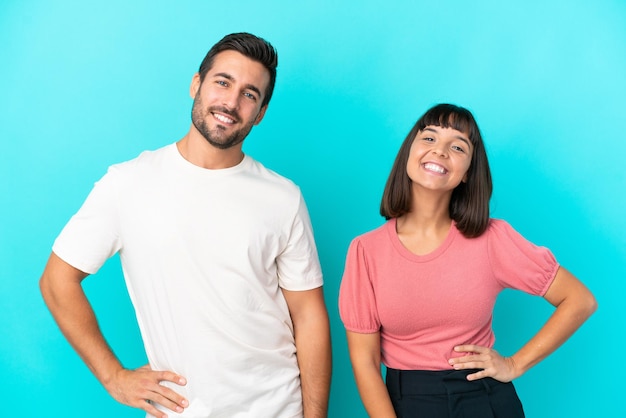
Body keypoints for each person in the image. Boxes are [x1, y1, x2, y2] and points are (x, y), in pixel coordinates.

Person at [39, 32, 331, 418]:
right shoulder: (128, 183)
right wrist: (113, 377)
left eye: (250, 94)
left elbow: (309, 316)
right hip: (183, 410)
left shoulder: (283, 197)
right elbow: (57, 280)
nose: (230, 102)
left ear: (260, 114)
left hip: (277, 408)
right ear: (197, 84)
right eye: (223, 82)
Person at [338, 103, 597, 417]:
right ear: (409, 152)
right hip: (408, 401)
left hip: (484, 399)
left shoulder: (492, 239)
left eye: (457, 146)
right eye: (429, 138)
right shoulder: (366, 250)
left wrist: (514, 364)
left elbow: (580, 300)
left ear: (467, 173)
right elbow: (364, 362)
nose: (441, 151)